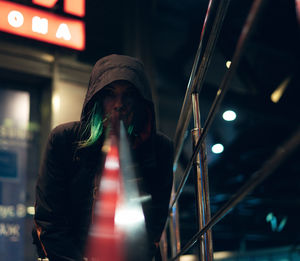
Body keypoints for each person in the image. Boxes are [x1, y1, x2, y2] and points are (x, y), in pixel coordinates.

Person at [32, 54, 174, 261]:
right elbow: (49, 219)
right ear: (96, 99)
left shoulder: (160, 149)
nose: (119, 104)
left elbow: (154, 223)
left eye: (129, 95)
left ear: (140, 102)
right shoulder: (64, 140)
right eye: (109, 94)